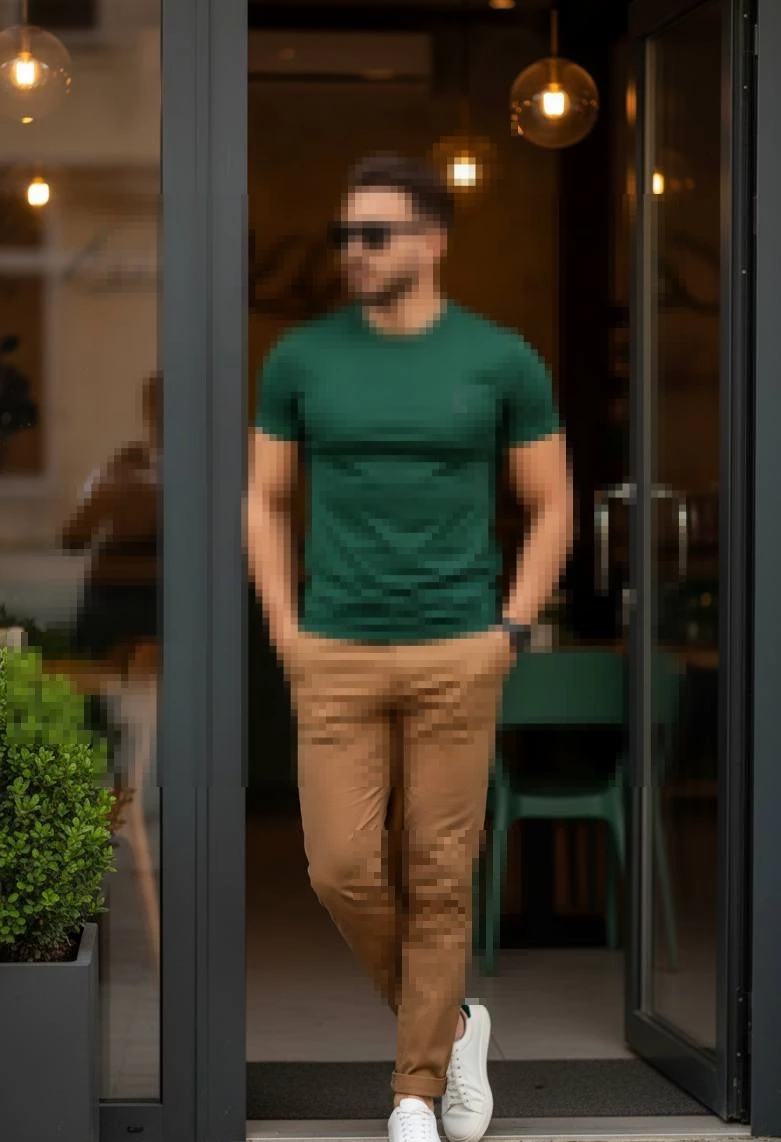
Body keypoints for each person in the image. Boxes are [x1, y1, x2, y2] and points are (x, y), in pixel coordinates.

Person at [246, 154, 572, 1142]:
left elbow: (552, 503)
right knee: (340, 866)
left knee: (436, 875)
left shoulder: (500, 359)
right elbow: (261, 498)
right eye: (346, 233)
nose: (354, 250)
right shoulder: (302, 359)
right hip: (335, 649)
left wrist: (509, 629)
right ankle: (458, 1021)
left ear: (431, 241)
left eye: (374, 233)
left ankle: (415, 1091)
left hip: (456, 651)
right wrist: (284, 628)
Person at [61, 372, 160, 674]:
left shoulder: (215, 468)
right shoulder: (125, 466)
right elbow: (73, 537)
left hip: (161, 595)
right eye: (157, 405)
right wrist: (113, 493)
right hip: (116, 594)